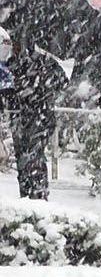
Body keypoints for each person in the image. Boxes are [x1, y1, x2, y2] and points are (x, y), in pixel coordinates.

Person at [6, 36, 67, 200]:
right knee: (24, 159)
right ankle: (28, 195)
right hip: (23, 118)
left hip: (37, 116)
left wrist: (37, 90)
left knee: (33, 157)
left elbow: (61, 81)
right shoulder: (10, 64)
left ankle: (37, 195)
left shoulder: (40, 61)